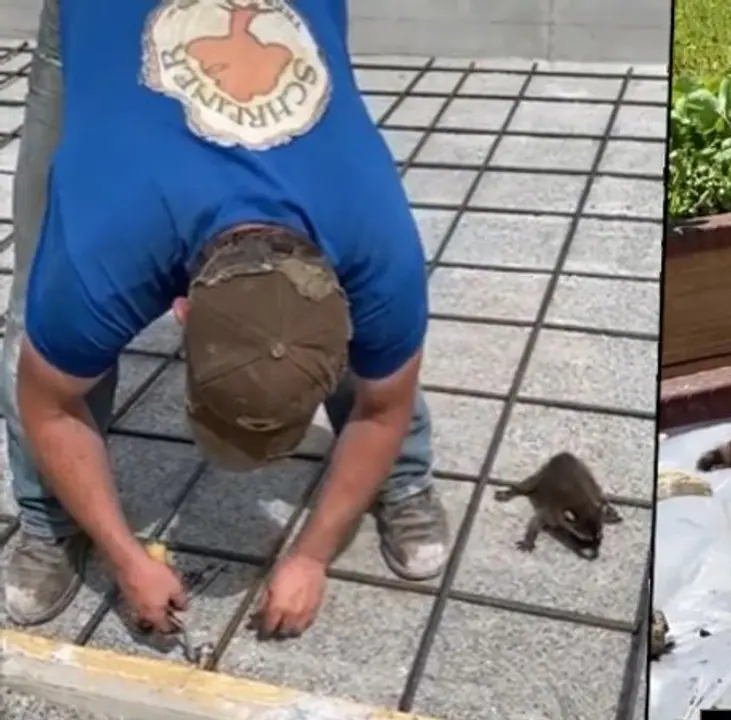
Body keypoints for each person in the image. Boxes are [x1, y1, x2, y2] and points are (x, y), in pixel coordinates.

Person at [1, 0, 451, 639]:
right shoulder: (102, 244)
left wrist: (313, 555)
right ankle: (50, 517)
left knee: (387, 359)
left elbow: (384, 406)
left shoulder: (380, 249)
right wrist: (126, 558)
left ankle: (401, 477)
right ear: (181, 308)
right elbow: (49, 405)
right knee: (38, 320)